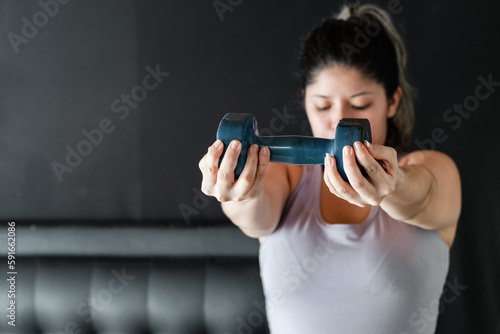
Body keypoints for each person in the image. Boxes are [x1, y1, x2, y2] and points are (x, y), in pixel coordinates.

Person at [199, 3, 461, 333]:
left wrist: (392, 184)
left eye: (360, 104)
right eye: (322, 105)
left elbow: (422, 195)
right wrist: (241, 190)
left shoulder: (432, 170)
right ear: (306, 100)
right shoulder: (288, 177)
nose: (337, 121)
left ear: (392, 101)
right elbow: (256, 217)